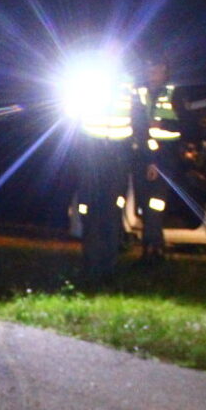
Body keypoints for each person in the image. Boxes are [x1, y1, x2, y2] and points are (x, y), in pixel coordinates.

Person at [73, 63, 134, 281]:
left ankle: (107, 269)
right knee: (90, 212)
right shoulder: (89, 78)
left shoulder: (131, 84)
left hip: (118, 157)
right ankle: (91, 265)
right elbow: (73, 118)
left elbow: (139, 118)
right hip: (91, 155)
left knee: (112, 214)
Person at [133, 57, 182, 262]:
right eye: (149, 68)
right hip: (142, 158)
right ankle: (152, 246)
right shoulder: (139, 94)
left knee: (155, 204)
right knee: (145, 205)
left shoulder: (174, 94)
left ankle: (154, 247)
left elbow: (185, 126)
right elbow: (137, 126)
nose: (151, 72)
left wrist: (164, 126)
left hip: (164, 159)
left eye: (156, 68)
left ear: (165, 70)